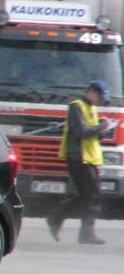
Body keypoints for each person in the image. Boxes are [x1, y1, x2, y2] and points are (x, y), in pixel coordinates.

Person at [46, 80, 114, 245]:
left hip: (90, 158)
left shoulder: (91, 108)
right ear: (90, 91)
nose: (99, 102)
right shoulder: (76, 106)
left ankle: (59, 218)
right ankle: (76, 228)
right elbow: (80, 131)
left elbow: (93, 135)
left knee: (89, 196)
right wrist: (100, 126)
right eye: (99, 97)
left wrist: (104, 129)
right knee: (91, 195)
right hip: (79, 157)